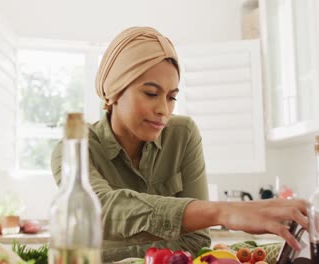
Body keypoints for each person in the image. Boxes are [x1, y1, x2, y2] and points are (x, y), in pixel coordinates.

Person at [50, 26, 309, 262]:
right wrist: (223, 212)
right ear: (114, 91)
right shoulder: (72, 149)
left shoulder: (183, 134)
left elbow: (197, 241)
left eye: (172, 97)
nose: (164, 110)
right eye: (151, 93)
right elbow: (102, 209)